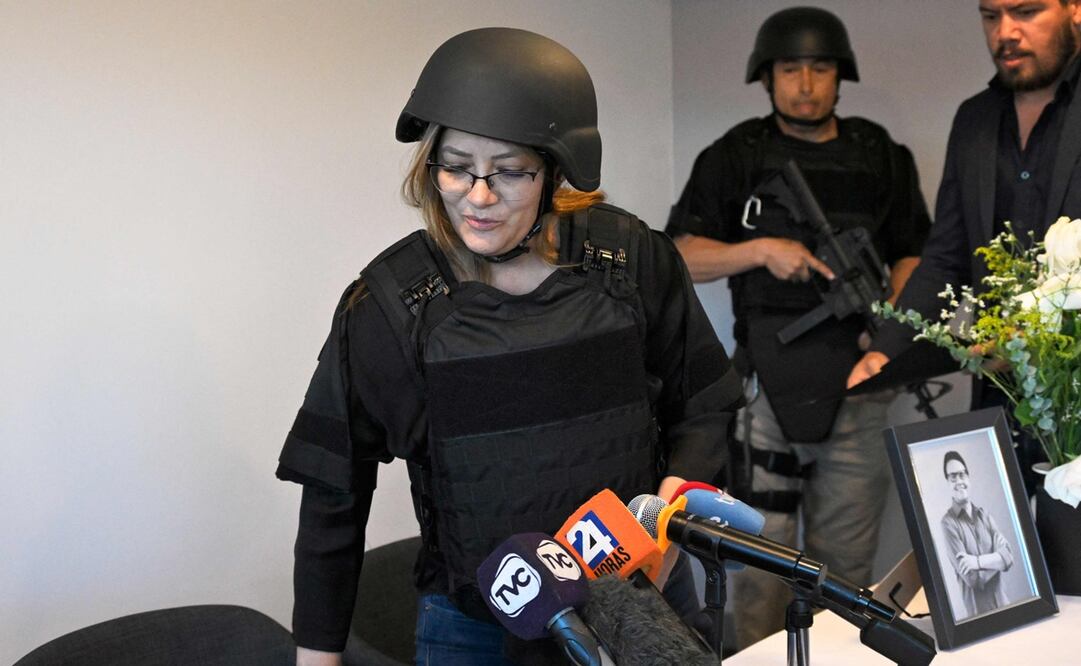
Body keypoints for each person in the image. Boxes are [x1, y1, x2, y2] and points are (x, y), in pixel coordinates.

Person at [275, 27, 743, 666]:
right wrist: (317, 658)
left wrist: (667, 517)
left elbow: (706, 402)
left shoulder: (630, 262)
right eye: (457, 168)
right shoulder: (389, 307)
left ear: (557, 173)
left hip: (642, 601)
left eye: (510, 172)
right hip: (475, 632)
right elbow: (334, 491)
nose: (479, 197)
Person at [665, 7, 931, 650]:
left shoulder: (879, 156)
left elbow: (917, 253)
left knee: (844, 573)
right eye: (791, 69)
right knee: (758, 573)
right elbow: (678, 253)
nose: (806, 84)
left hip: (858, 389)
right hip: (764, 397)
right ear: (768, 77)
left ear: (841, 77)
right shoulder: (737, 156)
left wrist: (889, 323)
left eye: (820, 69)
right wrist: (759, 251)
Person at [848, 0, 1081, 494]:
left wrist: (1033, 337)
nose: (1006, 32)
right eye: (991, 16)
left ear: (1074, 9)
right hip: (999, 404)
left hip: (1076, 404)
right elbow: (947, 256)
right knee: (1007, 559)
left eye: (1026, 12)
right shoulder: (975, 119)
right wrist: (888, 348)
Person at [940, 450, 1014, 618]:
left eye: (962, 474)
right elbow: (973, 579)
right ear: (947, 482)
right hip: (980, 618)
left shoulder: (985, 515)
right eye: (953, 477)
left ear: (968, 477)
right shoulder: (948, 524)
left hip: (1006, 606)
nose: (959, 481)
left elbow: (1010, 557)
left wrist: (977, 562)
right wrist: (998, 559)